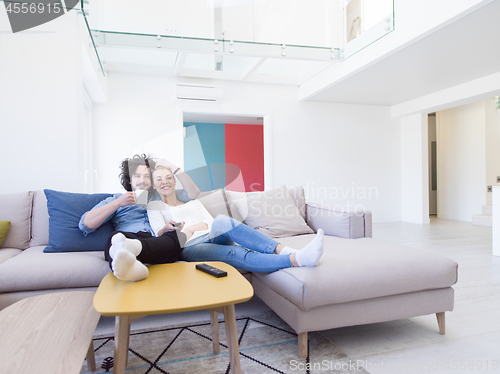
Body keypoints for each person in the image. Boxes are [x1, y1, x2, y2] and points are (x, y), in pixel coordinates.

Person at [108, 165, 324, 281]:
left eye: (168, 178)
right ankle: (297, 259)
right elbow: (160, 235)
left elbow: (211, 223)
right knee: (237, 255)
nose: (164, 182)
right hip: (188, 247)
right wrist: (180, 230)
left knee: (222, 220)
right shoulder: (156, 207)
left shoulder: (191, 200)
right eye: (159, 179)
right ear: (154, 186)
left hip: (208, 234)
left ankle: (284, 249)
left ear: (174, 181)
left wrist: (191, 227)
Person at [78, 154, 200, 281]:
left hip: (157, 243)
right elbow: (85, 224)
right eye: (137, 176)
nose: (142, 180)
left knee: (176, 237)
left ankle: (129, 251)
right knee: (115, 238)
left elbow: (193, 193)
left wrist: (171, 166)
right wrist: (118, 203)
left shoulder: (161, 195)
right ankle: (132, 261)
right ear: (130, 180)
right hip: (129, 236)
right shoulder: (116, 199)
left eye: (147, 176)